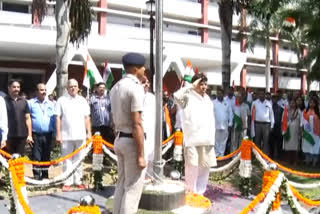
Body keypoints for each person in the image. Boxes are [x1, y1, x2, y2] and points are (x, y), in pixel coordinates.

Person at [110, 53, 146, 214]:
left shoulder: (115, 86)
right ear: (136, 68)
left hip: (119, 138)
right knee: (132, 189)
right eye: (143, 67)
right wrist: (141, 154)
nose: (145, 70)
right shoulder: (135, 87)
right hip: (132, 140)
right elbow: (137, 123)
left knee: (121, 184)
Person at [174, 73, 216, 194]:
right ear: (194, 84)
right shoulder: (187, 97)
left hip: (207, 140)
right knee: (192, 168)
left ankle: (200, 195)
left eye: (205, 84)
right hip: (192, 140)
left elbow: (211, 119)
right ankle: (191, 194)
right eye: (200, 84)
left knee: (204, 168)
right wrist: (190, 86)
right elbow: (176, 96)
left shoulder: (207, 98)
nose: (203, 87)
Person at [56, 79, 91, 191]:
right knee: (67, 160)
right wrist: (58, 134)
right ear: (67, 88)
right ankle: (67, 182)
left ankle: (78, 180)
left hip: (81, 135)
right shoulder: (61, 100)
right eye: (71, 86)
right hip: (66, 135)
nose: (73, 88)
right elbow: (58, 118)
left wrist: (89, 133)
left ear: (78, 88)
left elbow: (87, 117)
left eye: (75, 86)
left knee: (79, 159)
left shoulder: (82, 100)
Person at [28, 83, 56, 180]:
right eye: (41, 90)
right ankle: (36, 176)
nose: (44, 92)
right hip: (36, 134)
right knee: (36, 156)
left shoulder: (51, 104)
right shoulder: (31, 103)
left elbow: (54, 119)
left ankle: (45, 175)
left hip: (48, 134)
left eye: (45, 90)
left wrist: (55, 135)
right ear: (36, 92)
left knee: (46, 156)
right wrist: (29, 135)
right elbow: (28, 119)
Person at [4, 79, 33, 155]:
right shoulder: (4, 101)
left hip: (22, 135)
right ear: (9, 88)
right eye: (14, 87)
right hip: (8, 136)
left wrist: (30, 135)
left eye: (18, 87)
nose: (16, 89)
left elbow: (28, 118)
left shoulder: (24, 101)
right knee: (8, 158)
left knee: (19, 159)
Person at [251, 90, 274, 156]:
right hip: (257, 124)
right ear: (258, 95)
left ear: (265, 95)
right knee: (257, 141)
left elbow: (271, 115)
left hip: (266, 125)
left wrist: (272, 125)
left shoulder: (269, 103)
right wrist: (252, 125)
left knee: (266, 141)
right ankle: (257, 157)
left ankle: (265, 157)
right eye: (260, 94)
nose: (261, 95)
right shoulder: (254, 103)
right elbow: (253, 115)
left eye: (263, 94)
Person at [141, 76, 156, 178]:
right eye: (144, 82)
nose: (146, 84)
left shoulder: (152, 97)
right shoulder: (136, 96)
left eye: (148, 82)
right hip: (141, 130)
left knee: (152, 157)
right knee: (143, 157)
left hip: (152, 130)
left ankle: (150, 178)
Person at [213, 88, 233, 157]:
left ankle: (221, 155)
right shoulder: (213, 103)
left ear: (223, 94)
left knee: (223, 141)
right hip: (215, 125)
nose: (219, 94)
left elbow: (230, 114)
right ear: (217, 94)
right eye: (218, 93)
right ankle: (216, 155)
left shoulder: (227, 103)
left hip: (225, 126)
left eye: (221, 93)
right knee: (216, 141)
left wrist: (230, 123)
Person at [282, 98, 302, 166]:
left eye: (293, 103)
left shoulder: (298, 111)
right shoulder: (286, 111)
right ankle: (288, 161)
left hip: (296, 130)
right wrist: (283, 129)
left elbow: (301, 122)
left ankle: (295, 161)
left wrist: (300, 130)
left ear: (295, 104)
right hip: (287, 130)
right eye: (291, 103)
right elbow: (283, 121)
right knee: (287, 146)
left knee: (295, 146)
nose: (292, 104)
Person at [301, 97, 320, 166]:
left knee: (315, 147)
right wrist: (302, 130)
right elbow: (302, 122)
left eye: (313, 102)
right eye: (310, 102)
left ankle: (314, 162)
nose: (311, 104)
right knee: (307, 146)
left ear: (316, 104)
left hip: (316, 133)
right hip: (307, 133)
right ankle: (307, 160)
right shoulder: (305, 111)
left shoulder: (318, 111)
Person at [270, 94, 284, 160]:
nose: (274, 100)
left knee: (279, 143)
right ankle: (271, 156)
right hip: (271, 127)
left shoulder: (281, 109)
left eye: (275, 99)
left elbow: (282, 119)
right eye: (273, 99)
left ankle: (279, 156)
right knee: (271, 142)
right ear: (272, 99)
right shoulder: (269, 107)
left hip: (278, 127)